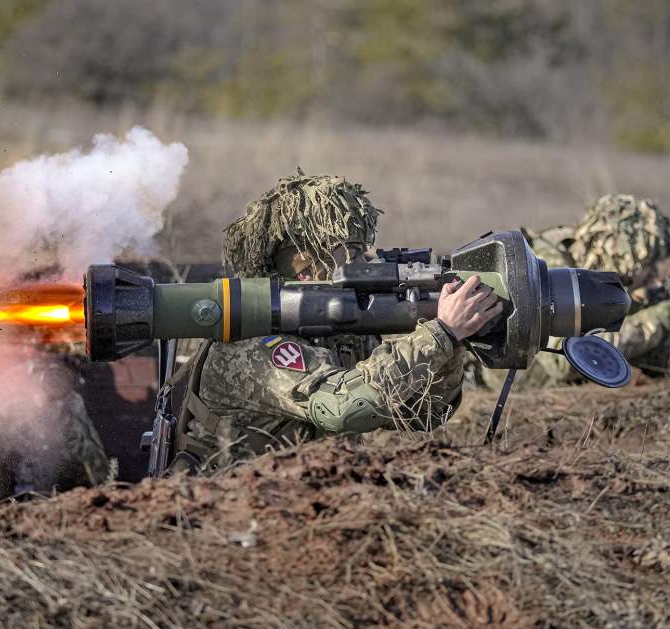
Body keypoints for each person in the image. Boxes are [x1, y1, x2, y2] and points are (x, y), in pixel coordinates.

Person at [167, 173, 502, 473]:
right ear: (306, 267)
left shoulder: (338, 334)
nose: (365, 262)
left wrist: (452, 342)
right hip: (218, 510)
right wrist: (440, 333)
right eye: (351, 252)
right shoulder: (254, 342)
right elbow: (343, 407)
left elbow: (422, 414)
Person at [478, 194, 670, 389]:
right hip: (496, 389)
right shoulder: (543, 270)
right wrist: (656, 320)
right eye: (648, 265)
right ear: (623, 255)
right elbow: (565, 359)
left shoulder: (583, 259)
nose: (654, 275)